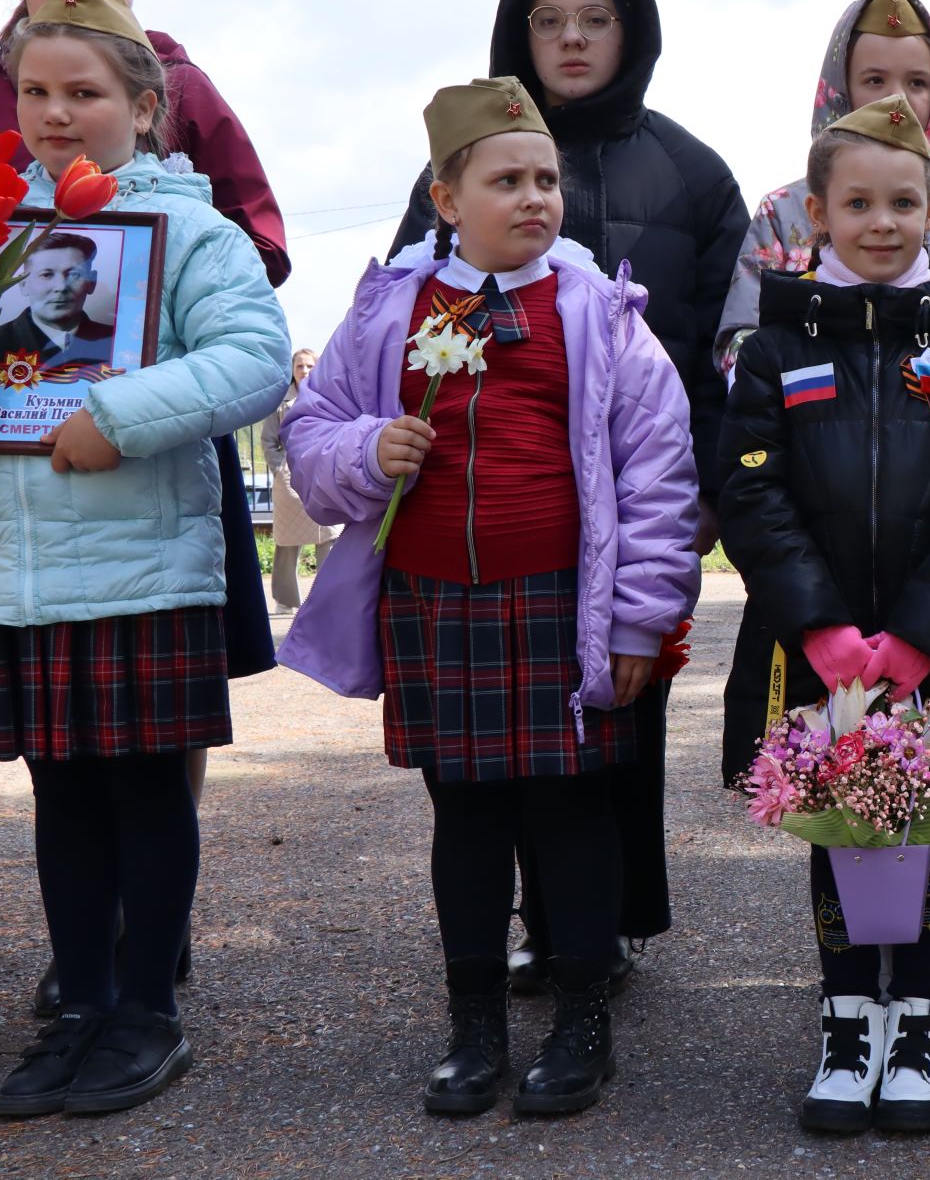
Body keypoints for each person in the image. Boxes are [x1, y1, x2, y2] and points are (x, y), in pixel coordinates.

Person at [281, 78, 700, 1117]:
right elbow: (311, 430)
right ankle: (474, 1023)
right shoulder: (393, 305)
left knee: (571, 814)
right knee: (464, 814)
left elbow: (659, 468)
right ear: (445, 195)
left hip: (562, 602)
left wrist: (644, 614)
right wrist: (367, 449)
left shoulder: (599, 310)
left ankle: (581, 1016)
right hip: (436, 604)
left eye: (547, 179)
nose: (534, 198)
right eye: (506, 179)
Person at [388, 0, 747, 994]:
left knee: (614, 721)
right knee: (492, 751)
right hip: (487, 506)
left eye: (596, 18)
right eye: (550, 20)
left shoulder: (690, 169)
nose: (574, 37)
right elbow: (407, 312)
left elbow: (730, 347)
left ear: (629, 33)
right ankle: (522, 924)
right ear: (520, 36)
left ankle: (602, 925)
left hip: (636, 491)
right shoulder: (451, 170)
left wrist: (715, 486)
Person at [0, 0, 289, 1117]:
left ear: (148, 105)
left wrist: (115, 419)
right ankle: (80, 1005)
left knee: (148, 792)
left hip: (144, 564)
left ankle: (148, 1008)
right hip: (19, 570)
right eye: (36, 91)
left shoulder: (188, 227)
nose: (56, 113)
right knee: (60, 795)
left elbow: (255, 355)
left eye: (86, 92)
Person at [716, 96, 930, 1135]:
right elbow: (752, 493)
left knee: (929, 821)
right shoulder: (771, 349)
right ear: (817, 210)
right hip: (819, 646)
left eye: (904, 202)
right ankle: (849, 1023)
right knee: (837, 820)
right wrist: (822, 628)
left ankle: (920, 1019)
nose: (883, 221)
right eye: (858, 202)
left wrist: (916, 634)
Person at [716, 0, 930, 386]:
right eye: (875, 80)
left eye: (916, 83)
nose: (897, 101)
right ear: (840, 90)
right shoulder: (785, 210)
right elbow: (736, 345)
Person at [261, 348, 339, 614]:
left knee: (328, 535)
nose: (305, 371)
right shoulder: (279, 402)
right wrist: (279, 469)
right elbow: (269, 440)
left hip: (322, 474)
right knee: (287, 539)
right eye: (300, 366)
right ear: (292, 369)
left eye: (309, 366)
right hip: (289, 477)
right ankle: (285, 599)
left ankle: (327, 597)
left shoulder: (328, 395)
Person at [0, 234, 115, 365]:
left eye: (74, 274)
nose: (61, 287)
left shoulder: (115, 342)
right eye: (46, 275)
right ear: (24, 284)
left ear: (92, 282)